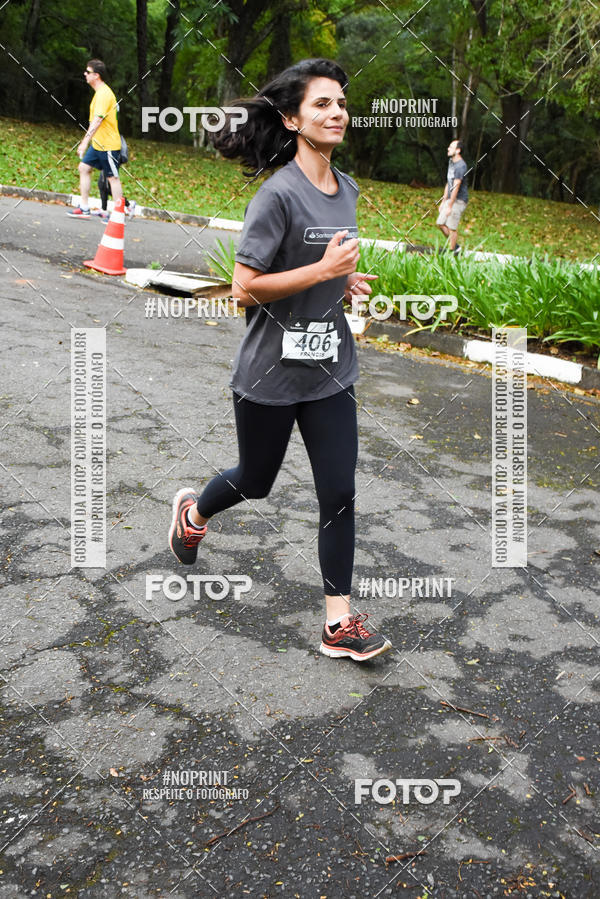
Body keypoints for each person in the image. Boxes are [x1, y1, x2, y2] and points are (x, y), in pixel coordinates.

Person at [168, 58, 392, 662]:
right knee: (255, 480)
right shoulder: (277, 195)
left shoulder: (347, 190)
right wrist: (322, 271)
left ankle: (338, 623)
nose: (337, 112)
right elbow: (244, 287)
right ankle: (194, 511)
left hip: (330, 369)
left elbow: (319, 267)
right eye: (322, 103)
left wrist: (342, 284)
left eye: (341, 102)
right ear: (292, 120)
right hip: (269, 373)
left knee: (338, 492)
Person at [68, 59, 123, 219]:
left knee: (112, 178)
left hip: (108, 144)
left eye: (88, 72)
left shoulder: (104, 94)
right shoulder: (99, 93)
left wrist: (84, 142)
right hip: (98, 143)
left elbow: (97, 120)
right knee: (84, 168)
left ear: (96, 75)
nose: (85, 74)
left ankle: (118, 215)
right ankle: (84, 208)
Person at [436, 138, 468, 254]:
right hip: (450, 199)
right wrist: (444, 201)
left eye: (451, 147)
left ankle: (451, 252)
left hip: (459, 200)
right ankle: (456, 247)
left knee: (451, 227)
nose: (448, 149)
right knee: (440, 223)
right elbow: (449, 182)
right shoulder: (452, 162)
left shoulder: (461, 166)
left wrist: (450, 206)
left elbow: (456, 186)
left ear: (458, 150)